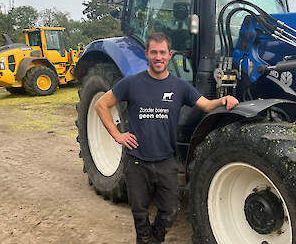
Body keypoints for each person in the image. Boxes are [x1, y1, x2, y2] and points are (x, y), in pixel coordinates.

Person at [94, 33, 239, 244]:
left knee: (170, 211)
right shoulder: (132, 83)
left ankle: (155, 238)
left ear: (170, 55)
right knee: (140, 214)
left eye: (162, 52)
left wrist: (223, 99)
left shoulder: (180, 86)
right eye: (154, 52)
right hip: (137, 162)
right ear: (147, 54)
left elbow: (206, 105)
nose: (158, 57)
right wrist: (117, 135)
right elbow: (101, 104)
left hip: (166, 162)